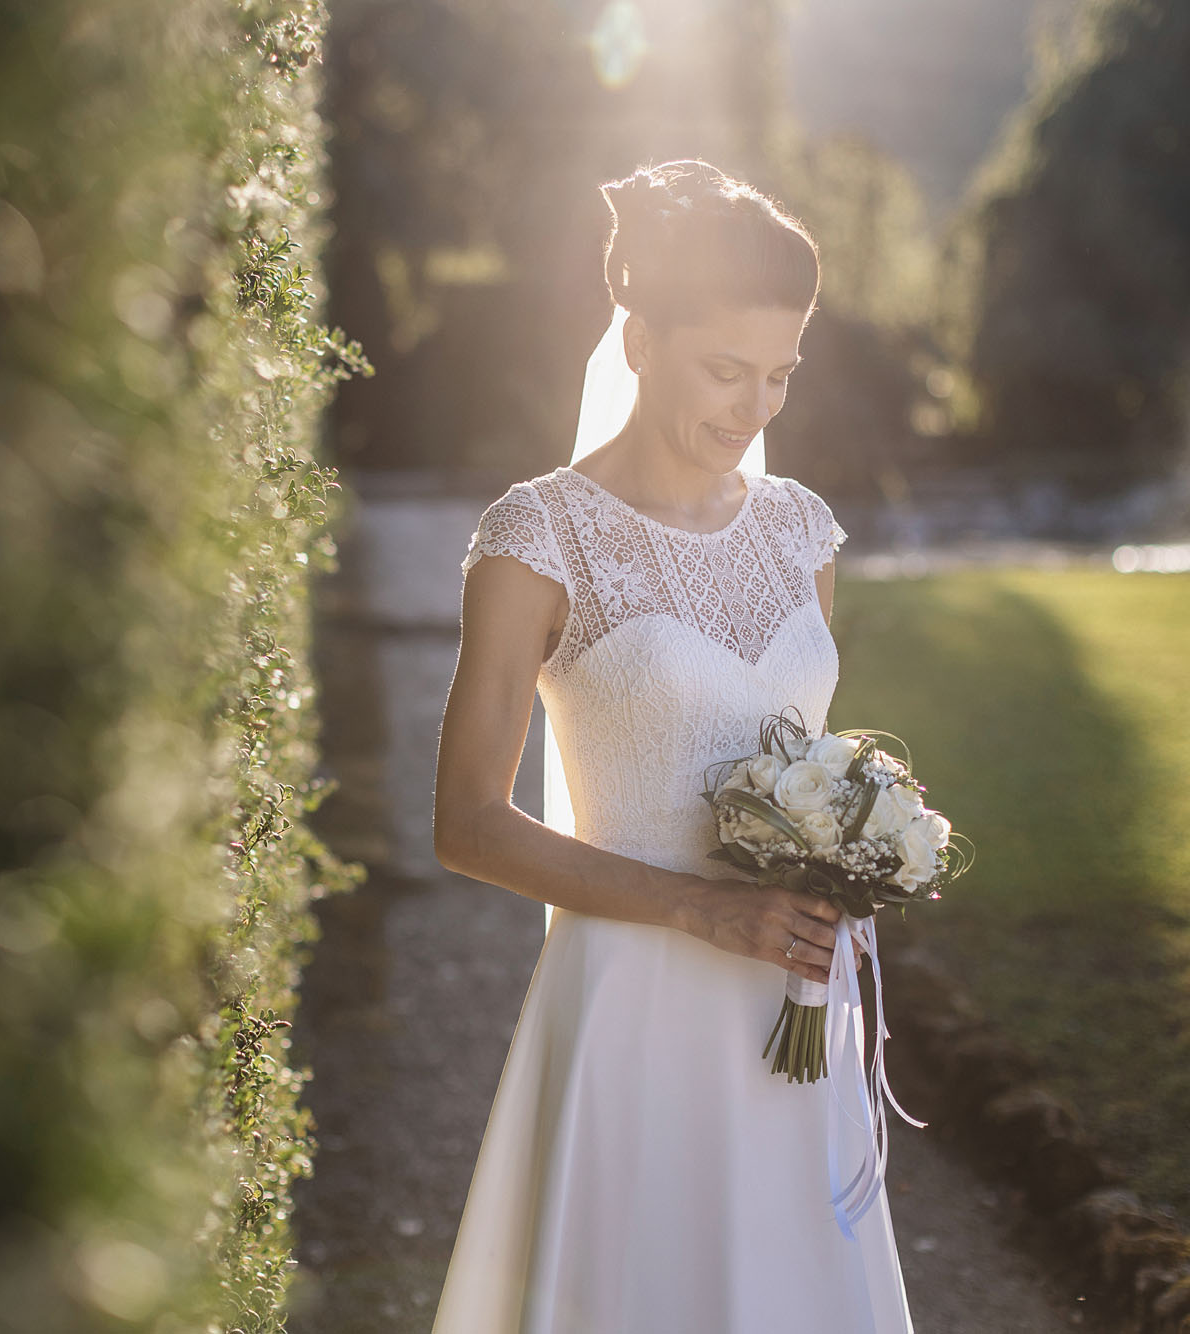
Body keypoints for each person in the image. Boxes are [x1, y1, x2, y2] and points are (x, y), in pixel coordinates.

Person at [429, 158, 915, 1332]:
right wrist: (699, 909)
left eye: (779, 375)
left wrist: (850, 846)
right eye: (723, 369)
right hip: (631, 1011)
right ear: (638, 340)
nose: (751, 409)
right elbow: (465, 824)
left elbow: (801, 751)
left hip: (790, 1000)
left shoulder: (801, 530)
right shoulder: (537, 537)